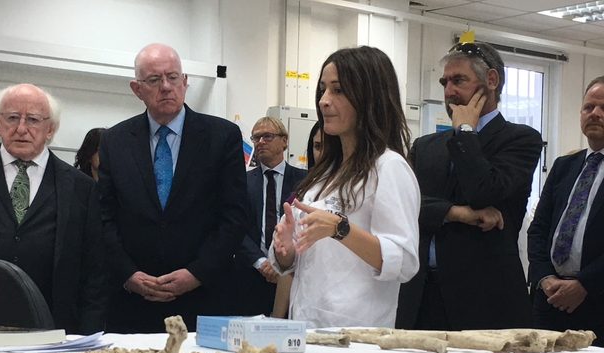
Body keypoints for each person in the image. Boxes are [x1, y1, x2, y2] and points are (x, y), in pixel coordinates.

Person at [0, 83, 108, 334]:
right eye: (12, 118)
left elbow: (94, 274)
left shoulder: (80, 187)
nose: (22, 128)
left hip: (55, 328)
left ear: (50, 129)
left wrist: (90, 333)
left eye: (33, 119)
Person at [98, 43, 247, 333]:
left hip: (204, 299)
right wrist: (128, 274)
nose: (166, 87)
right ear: (137, 88)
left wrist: (196, 274)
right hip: (133, 304)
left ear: (185, 82)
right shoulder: (115, 141)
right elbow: (104, 218)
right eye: (154, 80)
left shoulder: (222, 137)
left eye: (173, 77)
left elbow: (234, 217)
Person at [396, 42, 543, 331]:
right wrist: (454, 212)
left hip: (485, 302)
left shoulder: (520, 140)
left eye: (459, 80)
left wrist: (465, 131)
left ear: (491, 80)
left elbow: (483, 191)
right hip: (421, 297)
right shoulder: (425, 146)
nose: (449, 90)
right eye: (445, 82)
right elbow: (405, 204)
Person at [270, 46, 420, 328]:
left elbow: (404, 262)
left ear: (368, 97)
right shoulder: (323, 173)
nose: (324, 101)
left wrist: (341, 229)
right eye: (323, 90)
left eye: (338, 91)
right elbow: (297, 260)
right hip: (306, 327)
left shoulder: (389, 167)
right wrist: (286, 248)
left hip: (356, 334)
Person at [527, 76, 604, 346]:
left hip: (597, 302)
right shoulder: (564, 166)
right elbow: (538, 230)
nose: (595, 114)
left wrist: (584, 284)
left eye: (603, 108)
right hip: (549, 300)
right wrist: (544, 277)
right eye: (588, 107)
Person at [230, 117, 306, 316]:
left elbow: (304, 226)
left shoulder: (305, 181)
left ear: (284, 140)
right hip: (250, 275)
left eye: (267, 136)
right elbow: (235, 226)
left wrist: (280, 263)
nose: (260, 142)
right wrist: (262, 262)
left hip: (293, 275)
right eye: (256, 137)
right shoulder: (241, 182)